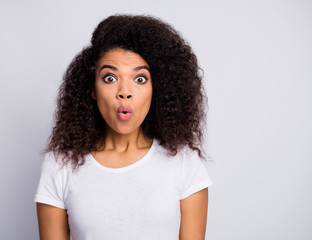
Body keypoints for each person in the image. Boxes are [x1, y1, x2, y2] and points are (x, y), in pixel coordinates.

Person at [34, 14, 212, 240]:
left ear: (157, 89)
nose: (124, 91)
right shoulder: (60, 165)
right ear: (92, 88)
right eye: (110, 78)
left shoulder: (184, 162)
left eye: (140, 79)